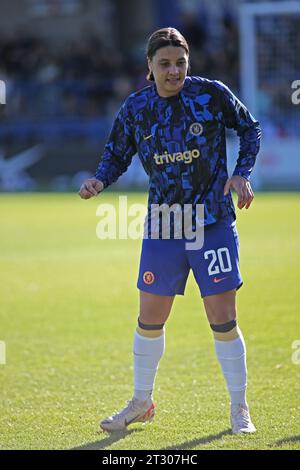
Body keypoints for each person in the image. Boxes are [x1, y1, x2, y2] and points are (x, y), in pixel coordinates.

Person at [78, 27, 261, 434]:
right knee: (149, 319)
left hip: (212, 221)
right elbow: (116, 154)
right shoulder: (136, 108)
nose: (174, 71)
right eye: (165, 64)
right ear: (149, 66)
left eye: (180, 62)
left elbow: (250, 128)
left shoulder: (210, 94)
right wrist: (99, 181)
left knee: (223, 319)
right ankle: (141, 401)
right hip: (164, 225)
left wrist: (241, 174)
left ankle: (239, 408)